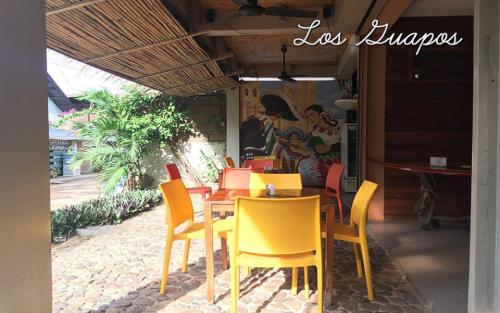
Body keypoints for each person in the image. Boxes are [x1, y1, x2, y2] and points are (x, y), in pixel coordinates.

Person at [240, 92, 302, 158]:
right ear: (278, 114)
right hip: (257, 157)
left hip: (245, 154)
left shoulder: (255, 117)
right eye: (280, 116)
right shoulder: (266, 122)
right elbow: (270, 142)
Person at [303, 104, 342, 177]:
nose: (310, 118)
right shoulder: (315, 134)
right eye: (308, 116)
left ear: (320, 114)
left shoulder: (339, 123)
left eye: (312, 114)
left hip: (345, 162)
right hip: (328, 165)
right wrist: (338, 145)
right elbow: (320, 149)